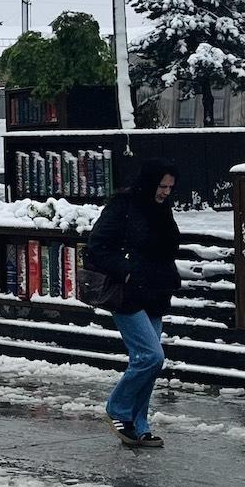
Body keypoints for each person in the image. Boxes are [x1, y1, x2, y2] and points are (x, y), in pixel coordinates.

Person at [85, 161, 181, 448]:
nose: (166, 192)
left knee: (146, 362)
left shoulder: (161, 207)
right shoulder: (123, 205)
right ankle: (117, 409)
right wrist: (125, 269)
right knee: (152, 356)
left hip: (155, 291)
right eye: (162, 186)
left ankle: (139, 425)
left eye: (170, 188)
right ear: (149, 182)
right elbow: (97, 246)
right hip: (126, 294)